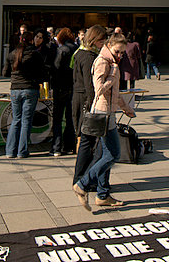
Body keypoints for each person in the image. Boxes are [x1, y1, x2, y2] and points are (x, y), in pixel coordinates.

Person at [73, 33, 135, 210]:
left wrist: (125, 107)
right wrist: (112, 75)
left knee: (106, 155)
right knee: (113, 154)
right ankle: (83, 184)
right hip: (102, 113)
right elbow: (99, 88)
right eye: (118, 51)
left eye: (123, 52)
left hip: (109, 112)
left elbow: (114, 93)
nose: (120, 55)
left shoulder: (112, 62)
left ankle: (102, 194)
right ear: (109, 46)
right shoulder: (102, 61)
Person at [72, 25, 106, 184]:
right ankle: (82, 179)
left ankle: (83, 178)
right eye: (101, 40)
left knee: (86, 141)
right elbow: (89, 85)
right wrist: (93, 105)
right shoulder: (88, 57)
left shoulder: (79, 53)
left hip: (80, 97)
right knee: (87, 142)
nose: (103, 43)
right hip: (86, 100)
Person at [3, 31, 45, 158]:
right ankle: (22, 150)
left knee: (16, 119)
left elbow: (5, 72)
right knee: (26, 120)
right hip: (30, 88)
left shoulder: (12, 54)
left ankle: (10, 150)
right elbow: (42, 72)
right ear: (31, 41)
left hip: (15, 88)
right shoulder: (35, 54)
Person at [50, 27, 77, 156]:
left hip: (61, 87)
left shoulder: (61, 50)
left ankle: (56, 147)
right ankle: (69, 145)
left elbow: (56, 68)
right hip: (73, 86)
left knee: (57, 118)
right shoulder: (76, 49)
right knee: (70, 118)